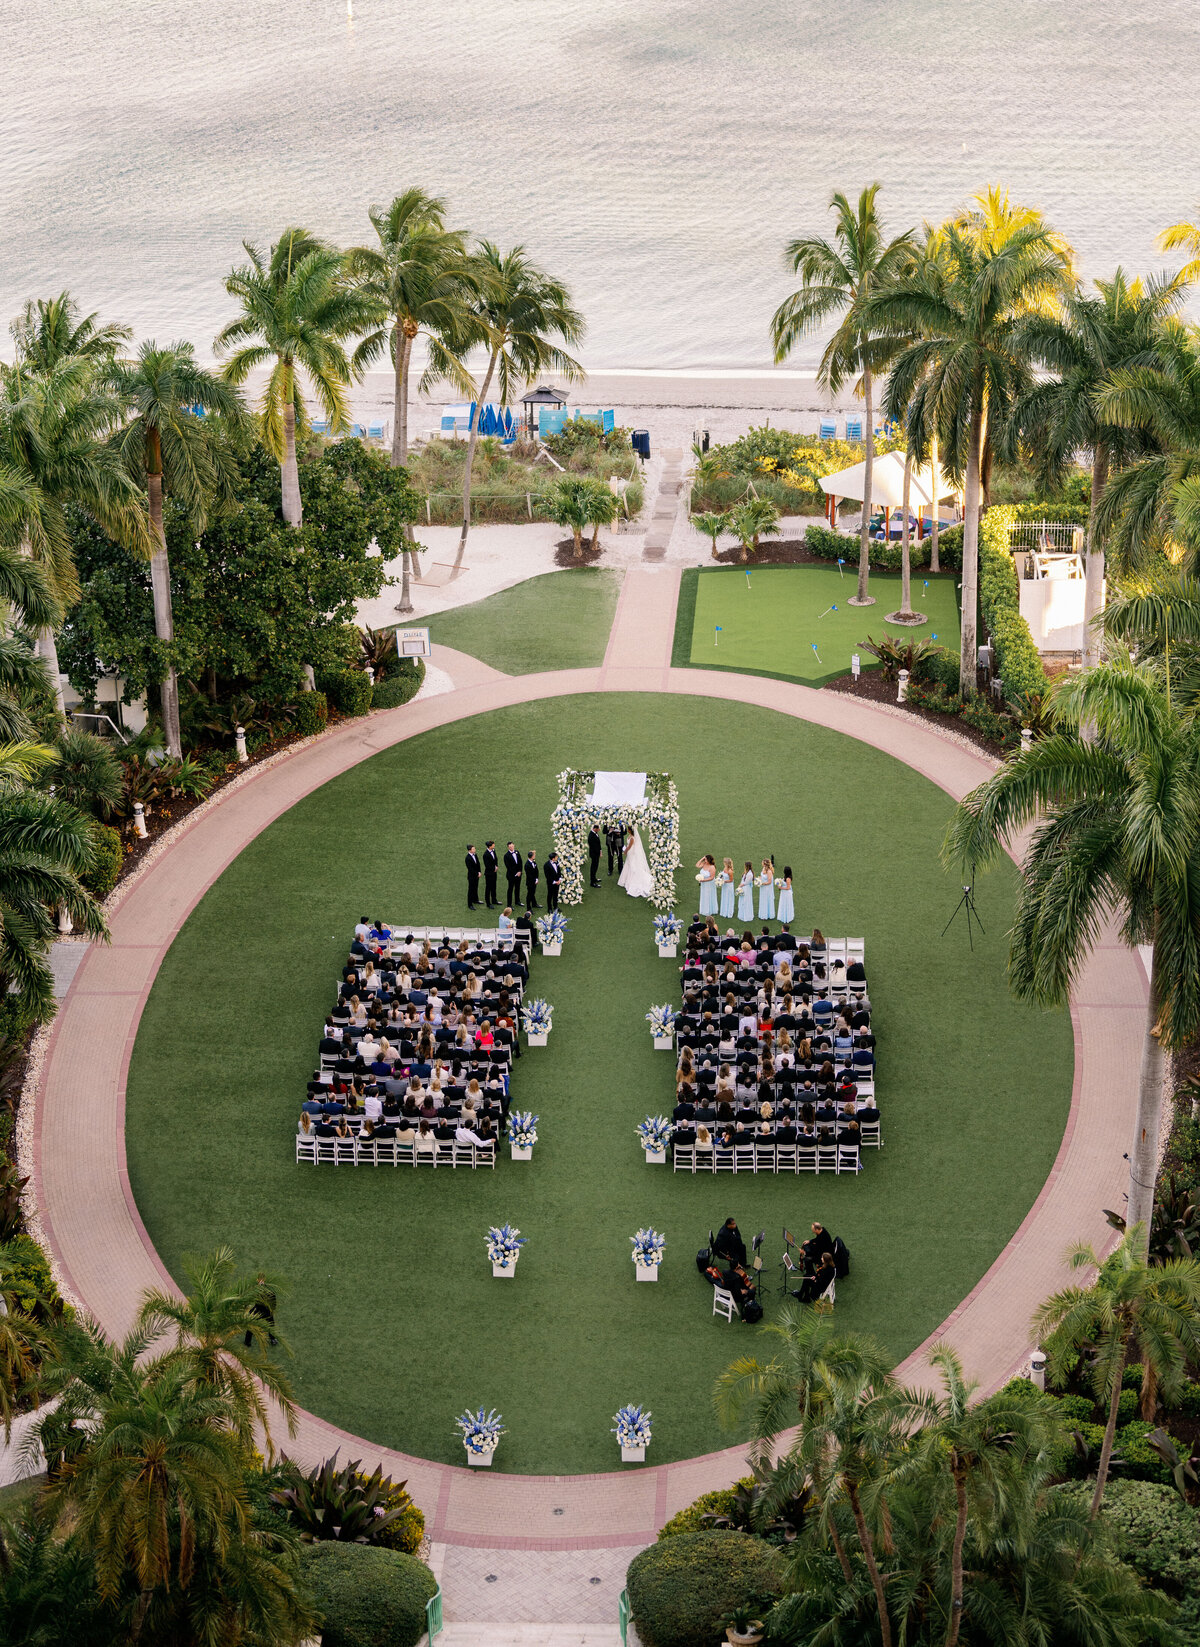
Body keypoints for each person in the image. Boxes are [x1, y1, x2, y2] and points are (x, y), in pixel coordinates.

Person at [504, 842, 523, 907]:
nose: (512, 847)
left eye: (512, 846)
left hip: (519, 874)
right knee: (510, 889)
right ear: (508, 847)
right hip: (511, 875)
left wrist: (520, 871)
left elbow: (520, 862)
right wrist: (516, 873)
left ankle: (517, 901)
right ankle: (509, 904)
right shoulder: (506, 855)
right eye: (510, 847)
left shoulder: (517, 852)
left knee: (517, 888)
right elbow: (508, 867)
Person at [483, 841, 500, 908]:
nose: (494, 845)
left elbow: (496, 859)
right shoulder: (485, 854)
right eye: (493, 845)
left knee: (494, 887)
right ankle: (488, 903)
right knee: (488, 888)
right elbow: (487, 865)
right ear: (490, 846)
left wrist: (496, 866)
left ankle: (494, 900)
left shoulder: (493, 850)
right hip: (489, 874)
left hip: (494, 873)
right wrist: (494, 868)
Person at [465, 845, 481, 909]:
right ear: (469, 850)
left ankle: (475, 900)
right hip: (472, 876)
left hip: (476, 875)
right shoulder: (467, 858)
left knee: (475, 888)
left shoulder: (475, 855)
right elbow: (470, 869)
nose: (475, 849)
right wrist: (477, 873)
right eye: (473, 849)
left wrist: (479, 871)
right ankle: (470, 904)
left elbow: (478, 864)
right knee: (471, 890)